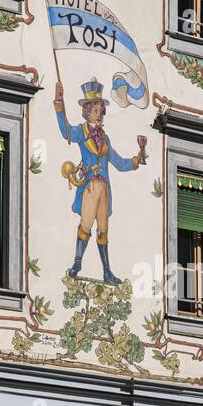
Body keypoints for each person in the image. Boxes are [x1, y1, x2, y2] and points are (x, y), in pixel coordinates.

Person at [54, 77, 147, 284]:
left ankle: (106, 271)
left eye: (101, 111)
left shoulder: (105, 139)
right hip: (90, 187)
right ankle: (77, 263)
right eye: (96, 110)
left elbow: (119, 163)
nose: (100, 114)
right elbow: (65, 131)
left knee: (103, 229)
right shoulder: (82, 132)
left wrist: (136, 160)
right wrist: (59, 103)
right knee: (86, 225)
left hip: (104, 188)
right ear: (87, 112)